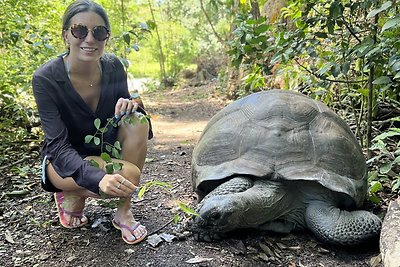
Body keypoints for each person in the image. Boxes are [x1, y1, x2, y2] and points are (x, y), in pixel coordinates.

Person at [32, 0, 152, 245]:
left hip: (104, 151)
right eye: (79, 30)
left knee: (138, 122)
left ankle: (123, 211)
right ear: (66, 34)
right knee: (129, 175)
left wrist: (131, 105)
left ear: (107, 36)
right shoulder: (45, 78)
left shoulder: (114, 66)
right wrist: (98, 179)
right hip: (61, 162)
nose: (90, 39)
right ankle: (71, 191)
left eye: (99, 32)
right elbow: (57, 147)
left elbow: (128, 106)